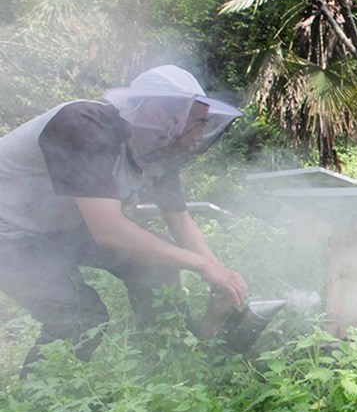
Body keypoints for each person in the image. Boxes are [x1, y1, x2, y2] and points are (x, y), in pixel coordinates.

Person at [0, 65, 248, 376]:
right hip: (9, 233)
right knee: (78, 316)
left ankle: (174, 366)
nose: (202, 134)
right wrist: (201, 265)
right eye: (198, 122)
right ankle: (39, 402)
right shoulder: (83, 125)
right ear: (159, 113)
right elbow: (108, 230)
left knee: (156, 264)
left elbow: (180, 221)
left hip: (59, 226)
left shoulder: (157, 151)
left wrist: (219, 274)